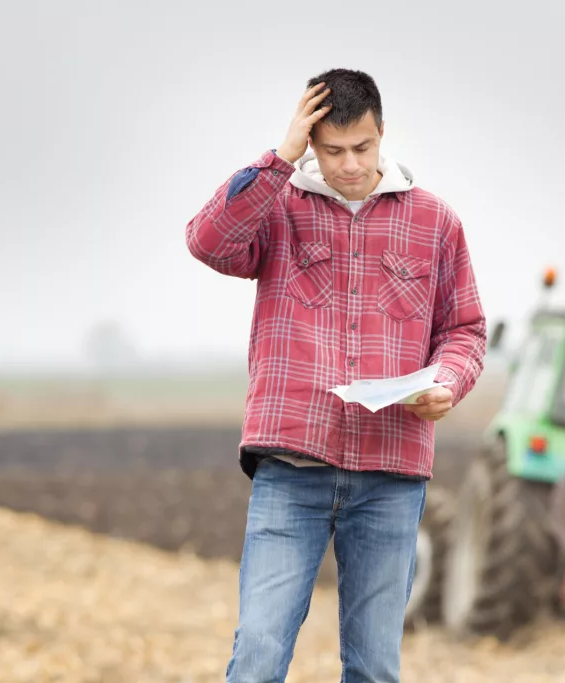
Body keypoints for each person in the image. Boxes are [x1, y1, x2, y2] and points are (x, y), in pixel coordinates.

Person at [184, 68, 487, 682]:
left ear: (382, 133)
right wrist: (280, 157)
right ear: (313, 143)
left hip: (390, 475)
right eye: (332, 150)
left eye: (363, 148)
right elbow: (208, 243)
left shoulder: (436, 222)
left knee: (374, 668)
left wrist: (448, 382)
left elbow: (465, 331)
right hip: (291, 468)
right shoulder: (277, 206)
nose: (349, 165)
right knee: (259, 655)